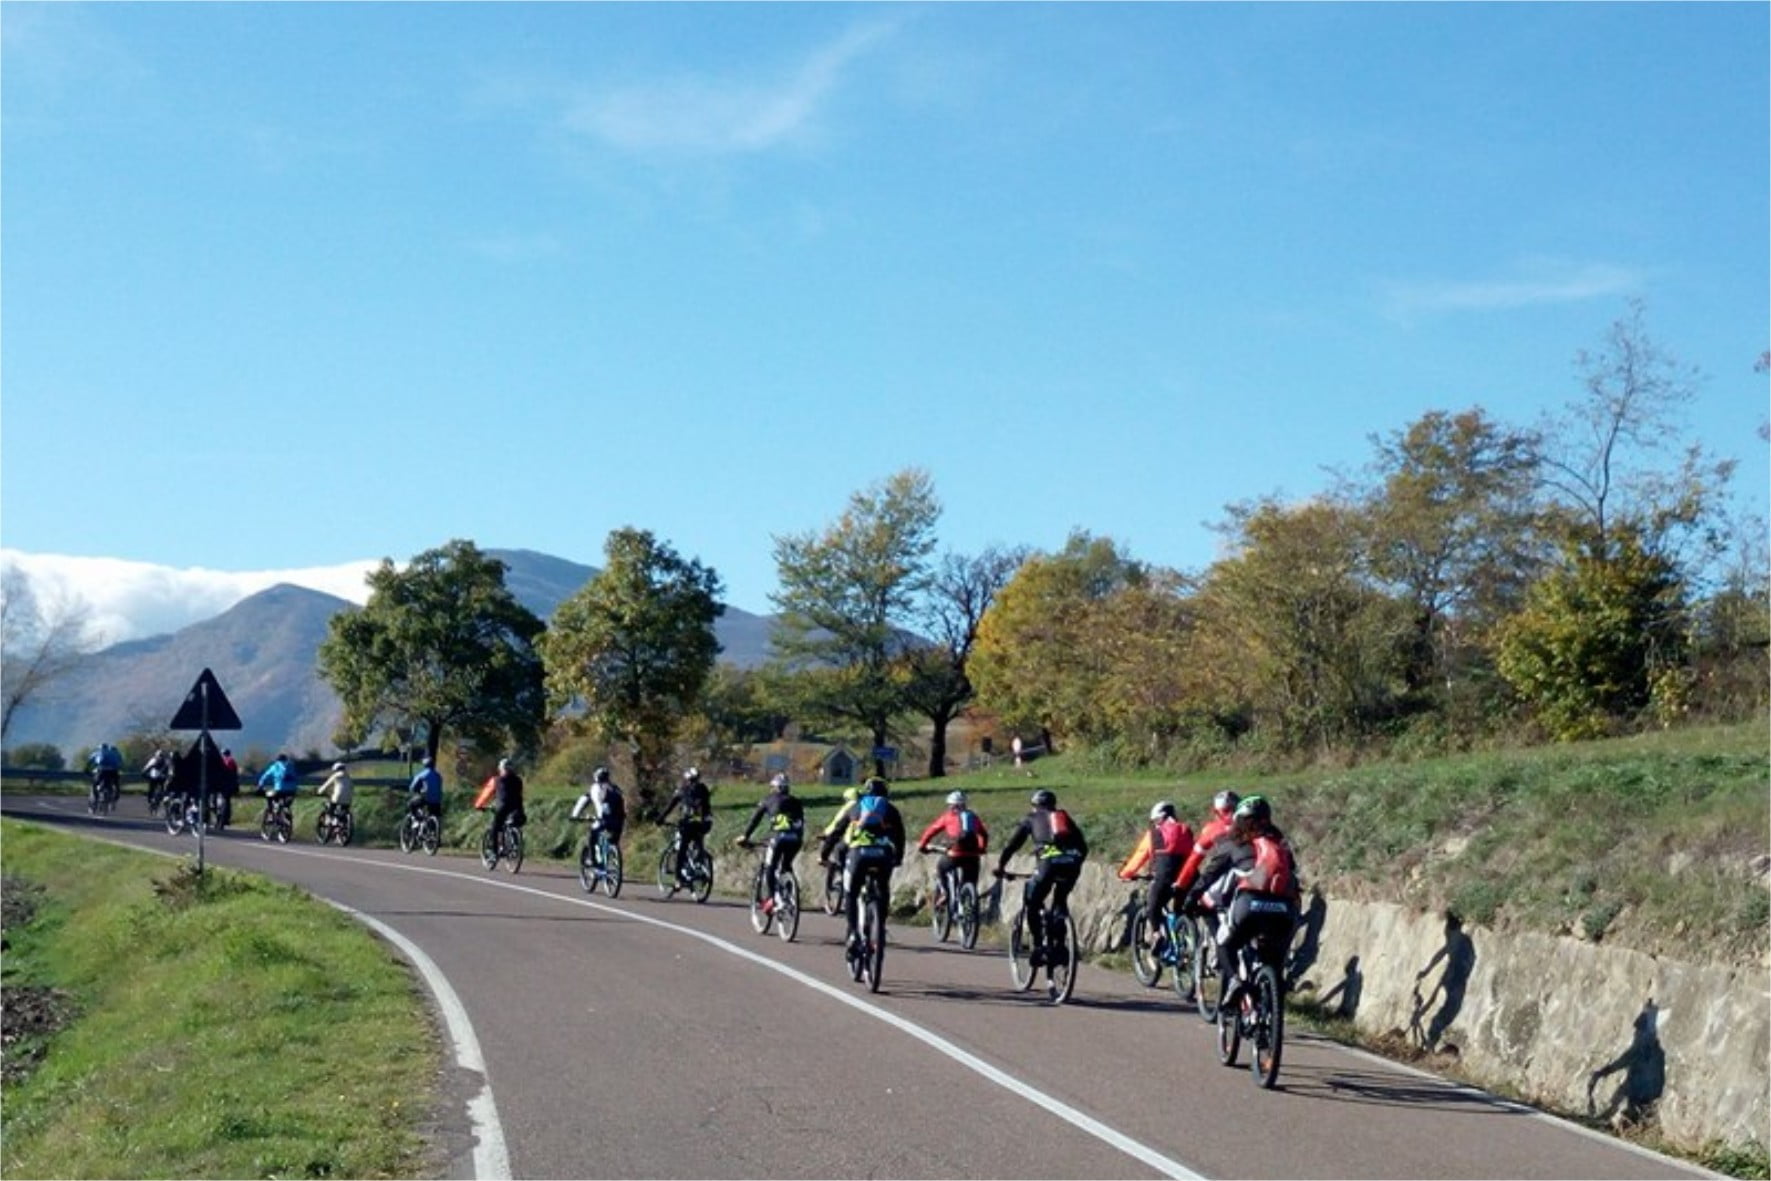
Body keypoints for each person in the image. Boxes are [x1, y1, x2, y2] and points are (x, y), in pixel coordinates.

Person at [1209, 795, 1301, 1010]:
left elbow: (1212, 876)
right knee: (1274, 962)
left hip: (1249, 905)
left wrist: (1191, 898)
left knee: (1225, 944)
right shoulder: (1281, 845)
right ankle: (1272, 1008)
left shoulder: (1235, 844)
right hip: (1284, 909)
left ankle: (1234, 981)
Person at [993, 789, 1089, 960]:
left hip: (1048, 864)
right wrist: (1073, 861)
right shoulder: (1063, 817)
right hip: (1072, 863)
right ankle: (1060, 946)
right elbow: (1084, 846)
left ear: (1034, 805)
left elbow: (1012, 845)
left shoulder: (1031, 818)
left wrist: (1001, 866)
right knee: (1060, 901)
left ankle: (1038, 947)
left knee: (1033, 903)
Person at [820, 776, 905, 952]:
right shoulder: (890, 809)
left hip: (859, 855)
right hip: (883, 855)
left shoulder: (855, 807)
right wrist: (898, 858)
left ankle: (852, 932)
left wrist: (824, 854)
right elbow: (900, 836)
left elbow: (836, 833)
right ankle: (880, 925)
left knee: (851, 894)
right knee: (883, 889)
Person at [1117, 800, 1196, 950]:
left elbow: (1139, 856)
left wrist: (1124, 873)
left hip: (1164, 877)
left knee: (1153, 905)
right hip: (1187, 877)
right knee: (1181, 910)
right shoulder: (1186, 830)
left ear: (1160, 818)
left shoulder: (1154, 834)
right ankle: (1188, 943)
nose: (1155, 824)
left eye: (1155, 821)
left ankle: (1156, 934)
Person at [738, 773, 806, 913]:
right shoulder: (796, 801)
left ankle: (773, 899)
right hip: (796, 839)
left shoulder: (768, 800)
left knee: (771, 866)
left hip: (778, 838)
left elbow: (755, 820)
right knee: (786, 865)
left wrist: (745, 836)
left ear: (774, 787)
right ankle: (788, 893)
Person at [917, 789, 990, 909]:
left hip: (955, 853)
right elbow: (984, 834)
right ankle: (969, 903)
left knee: (941, 867)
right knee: (970, 881)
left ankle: (945, 893)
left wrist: (923, 845)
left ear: (951, 805)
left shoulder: (947, 817)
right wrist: (982, 848)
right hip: (973, 855)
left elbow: (931, 831)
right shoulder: (972, 816)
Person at [1175, 790, 1242, 908]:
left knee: (1205, 899)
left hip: (1229, 873)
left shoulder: (1212, 829)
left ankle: (1216, 926)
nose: (1230, 814)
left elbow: (1194, 859)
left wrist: (1181, 883)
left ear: (1216, 812)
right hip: (1257, 874)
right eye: (1227, 811)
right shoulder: (1255, 824)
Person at [657, 766, 714, 886]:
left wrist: (660, 819)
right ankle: (700, 861)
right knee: (698, 841)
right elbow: (707, 807)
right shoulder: (703, 789)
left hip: (688, 824)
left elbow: (670, 806)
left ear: (687, 779)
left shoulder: (682, 790)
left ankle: (678, 878)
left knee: (682, 850)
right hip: (705, 823)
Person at [480, 757, 525, 847]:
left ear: (501, 769)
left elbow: (486, 793)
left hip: (503, 807)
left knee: (495, 828)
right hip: (518, 807)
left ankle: (494, 851)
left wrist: (479, 805)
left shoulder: (496, 780)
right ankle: (514, 844)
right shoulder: (518, 780)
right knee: (514, 822)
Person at [408, 756, 444, 825]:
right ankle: (434, 830)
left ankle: (417, 820)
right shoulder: (438, 775)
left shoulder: (422, 775)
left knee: (411, 804)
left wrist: (415, 791)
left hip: (426, 798)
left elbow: (412, 787)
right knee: (435, 814)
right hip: (437, 800)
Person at [317, 761, 354, 826]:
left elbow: (326, 785)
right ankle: (342, 826)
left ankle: (331, 821)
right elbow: (351, 787)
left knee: (331, 808)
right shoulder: (348, 777)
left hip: (337, 797)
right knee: (343, 811)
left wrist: (319, 791)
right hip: (348, 799)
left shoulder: (335, 776)